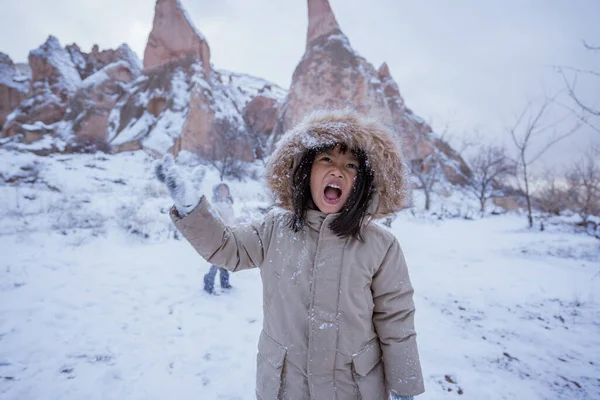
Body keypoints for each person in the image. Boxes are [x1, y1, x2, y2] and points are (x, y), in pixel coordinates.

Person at [155, 109, 424, 400]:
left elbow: (396, 321)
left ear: (363, 183)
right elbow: (226, 248)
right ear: (305, 170)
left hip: (354, 389)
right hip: (285, 387)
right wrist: (190, 207)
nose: (337, 170)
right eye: (327, 159)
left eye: (351, 165)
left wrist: (403, 388)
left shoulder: (380, 245)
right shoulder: (274, 229)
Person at [203, 182, 235, 294]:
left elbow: (230, 220)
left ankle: (224, 282)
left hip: (229, 235)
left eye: (225, 189)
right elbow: (216, 222)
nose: (224, 191)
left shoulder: (228, 204)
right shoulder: (215, 206)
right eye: (221, 189)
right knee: (217, 260)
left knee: (225, 260)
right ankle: (208, 282)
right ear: (216, 192)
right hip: (219, 237)